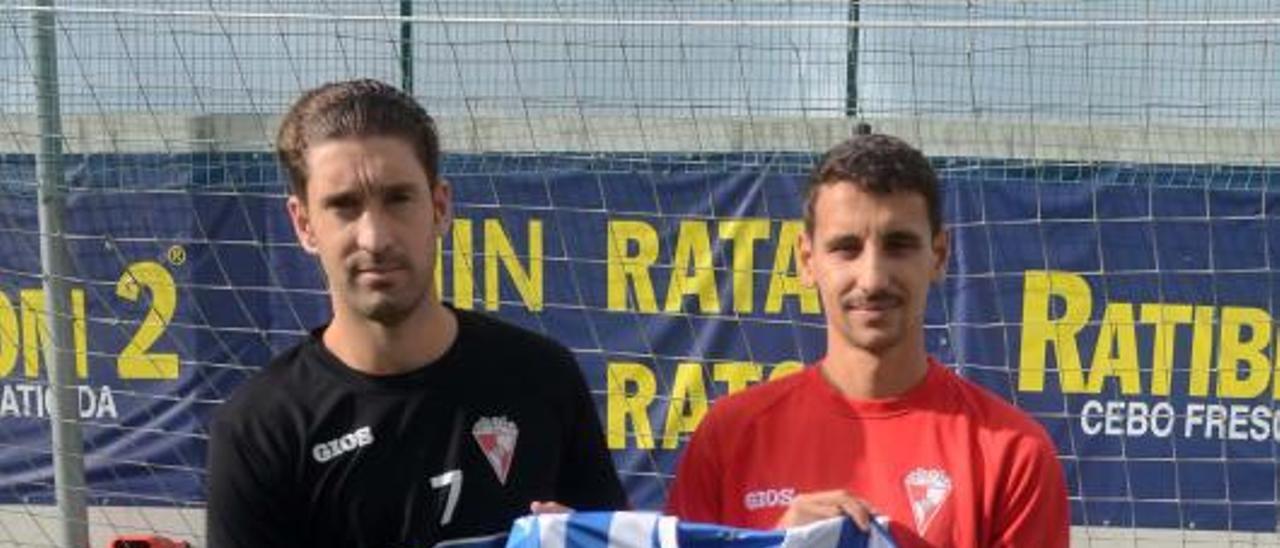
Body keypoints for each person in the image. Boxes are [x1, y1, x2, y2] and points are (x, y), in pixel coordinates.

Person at [206, 79, 627, 548]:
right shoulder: (260, 430)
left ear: (440, 207)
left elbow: (608, 535)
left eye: (398, 198)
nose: (375, 238)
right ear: (304, 225)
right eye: (344, 206)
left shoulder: (544, 378)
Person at [665, 134, 1068, 547]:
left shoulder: (1013, 453)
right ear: (807, 261)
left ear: (940, 255)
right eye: (846, 248)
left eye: (898, 246)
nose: (873, 278)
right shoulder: (728, 437)